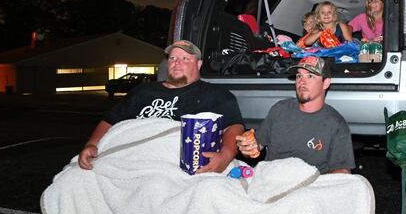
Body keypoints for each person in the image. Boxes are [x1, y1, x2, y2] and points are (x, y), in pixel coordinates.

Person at [78, 40, 244, 173]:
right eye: (172, 58)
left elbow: (234, 127)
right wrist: (92, 145)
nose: (177, 63)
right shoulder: (143, 91)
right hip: (129, 161)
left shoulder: (217, 94)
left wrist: (225, 155)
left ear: (198, 64)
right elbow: (110, 121)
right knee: (74, 180)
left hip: (175, 166)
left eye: (185, 58)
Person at [236, 56, 355, 174]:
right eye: (299, 76)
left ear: (326, 83)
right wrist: (248, 147)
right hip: (271, 181)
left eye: (310, 76)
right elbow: (255, 147)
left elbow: (342, 171)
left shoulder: (336, 124)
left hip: (310, 187)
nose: (302, 81)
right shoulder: (280, 109)